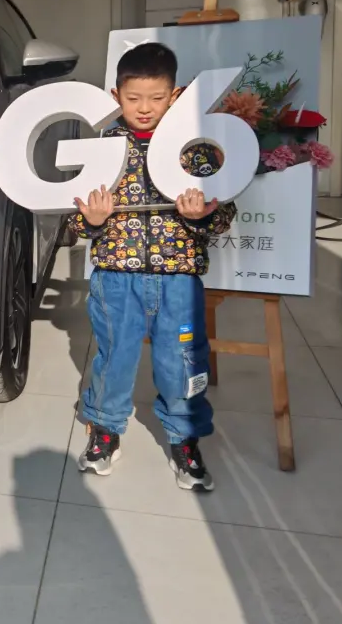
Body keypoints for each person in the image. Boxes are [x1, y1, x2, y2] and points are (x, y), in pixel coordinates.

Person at [69, 42, 235, 492]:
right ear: (115, 95)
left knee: (182, 361)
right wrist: (92, 220)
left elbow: (223, 214)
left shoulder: (195, 150)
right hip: (116, 276)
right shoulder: (102, 148)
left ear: (175, 95)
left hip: (178, 278)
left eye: (157, 98)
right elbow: (74, 218)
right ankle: (105, 429)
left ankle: (184, 439)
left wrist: (201, 216)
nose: (145, 108)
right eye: (133, 98)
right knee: (114, 356)